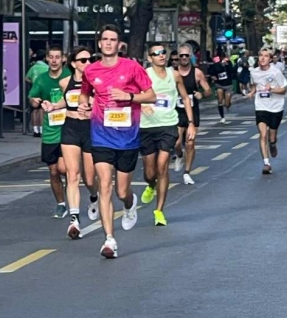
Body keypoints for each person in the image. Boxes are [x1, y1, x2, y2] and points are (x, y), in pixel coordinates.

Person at [78, 24, 156, 259]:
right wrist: (84, 104)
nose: (109, 43)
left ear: (118, 44)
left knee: (122, 191)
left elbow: (151, 95)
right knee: (105, 186)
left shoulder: (132, 67)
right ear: (99, 44)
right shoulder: (91, 71)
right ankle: (109, 240)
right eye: (105, 39)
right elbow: (85, 92)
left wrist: (129, 96)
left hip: (128, 137)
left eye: (113, 39)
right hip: (101, 135)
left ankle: (130, 204)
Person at [42, 47, 99, 239]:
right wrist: (52, 106)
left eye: (90, 59)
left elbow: (104, 103)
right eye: (83, 60)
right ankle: (74, 218)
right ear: (74, 63)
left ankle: (94, 197)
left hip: (90, 129)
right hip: (71, 128)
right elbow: (65, 102)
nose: (87, 63)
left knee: (90, 179)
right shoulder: (65, 81)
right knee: (72, 175)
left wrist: (93, 110)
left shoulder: (97, 82)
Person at [139, 43, 196, 226]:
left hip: (168, 126)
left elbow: (185, 98)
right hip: (147, 127)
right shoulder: (144, 74)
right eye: (156, 53)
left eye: (163, 52)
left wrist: (191, 123)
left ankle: (159, 210)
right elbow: (132, 94)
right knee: (150, 172)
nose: (161, 56)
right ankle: (150, 185)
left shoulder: (175, 74)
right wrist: (142, 104)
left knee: (162, 166)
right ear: (150, 58)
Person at [28, 46, 71, 218]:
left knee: (64, 168)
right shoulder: (42, 79)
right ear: (47, 59)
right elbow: (32, 98)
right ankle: (61, 204)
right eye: (51, 57)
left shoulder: (69, 76)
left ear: (63, 59)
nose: (54, 60)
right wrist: (35, 101)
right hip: (50, 131)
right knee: (54, 171)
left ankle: (73, 198)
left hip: (68, 130)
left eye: (57, 57)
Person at [173, 43, 212, 183]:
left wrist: (201, 94)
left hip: (192, 112)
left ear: (190, 56)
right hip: (176, 111)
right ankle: (178, 155)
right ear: (178, 56)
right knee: (176, 142)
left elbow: (208, 90)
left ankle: (187, 172)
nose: (184, 58)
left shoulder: (197, 73)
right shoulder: (173, 72)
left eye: (186, 55)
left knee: (190, 143)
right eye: (181, 55)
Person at [248, 48, 287, 174]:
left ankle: (273, 143)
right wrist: (252, 92)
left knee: (272, 136)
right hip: (261, 106)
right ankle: (266, 162)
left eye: (266, 56)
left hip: (276, 106)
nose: (263, 58)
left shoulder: (276, 72)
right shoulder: (254, 72)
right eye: (260, 55)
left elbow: (283, 90)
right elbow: (255, 84)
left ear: (270, 59)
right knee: (263, 134)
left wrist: (271, 89)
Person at [26, 50, 49, 137]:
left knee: (34, 111)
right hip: (43, 91)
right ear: (44, 58)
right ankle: (42, 130)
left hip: (34, 91)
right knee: (42, 111)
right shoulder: (46, 67)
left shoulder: (33, 67)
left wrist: (33, 82)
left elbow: (26, 78)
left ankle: (36, 130)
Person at [207, 55, 234, 123]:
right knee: (220, 100)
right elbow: (210, 73)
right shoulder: (215, 64)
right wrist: (212, 77)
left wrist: (227, 64)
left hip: (228, 84)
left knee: (227, 104)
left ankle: (228, 103)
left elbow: (232, 70)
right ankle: (222, 117)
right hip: (219, 84)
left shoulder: (227, 62)